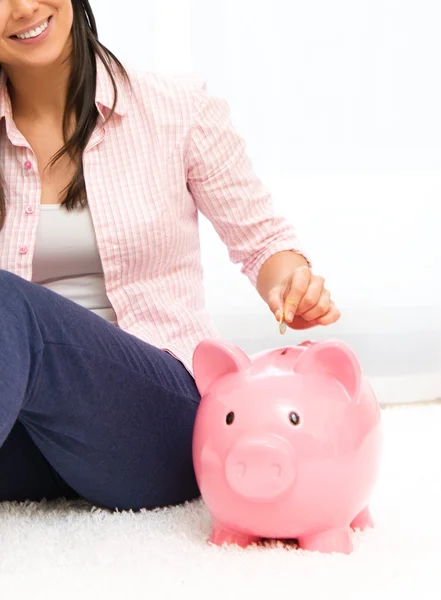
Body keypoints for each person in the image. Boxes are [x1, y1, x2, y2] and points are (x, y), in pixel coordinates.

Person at [0, 0, 340, 511]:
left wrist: (290, 282)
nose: (23, 8)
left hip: (155, 419)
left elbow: (265, 243)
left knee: (8, 302)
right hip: (25, 429)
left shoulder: (176, 107)